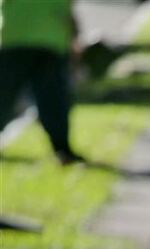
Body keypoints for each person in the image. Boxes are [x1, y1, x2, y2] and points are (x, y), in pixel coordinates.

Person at [0, 0, 84, 164]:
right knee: (53, 99)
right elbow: (69, 9)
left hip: (15, 35)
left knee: (3, 96)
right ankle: (63, 150)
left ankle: (64, 150)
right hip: (50, 37)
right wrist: (74, 36)